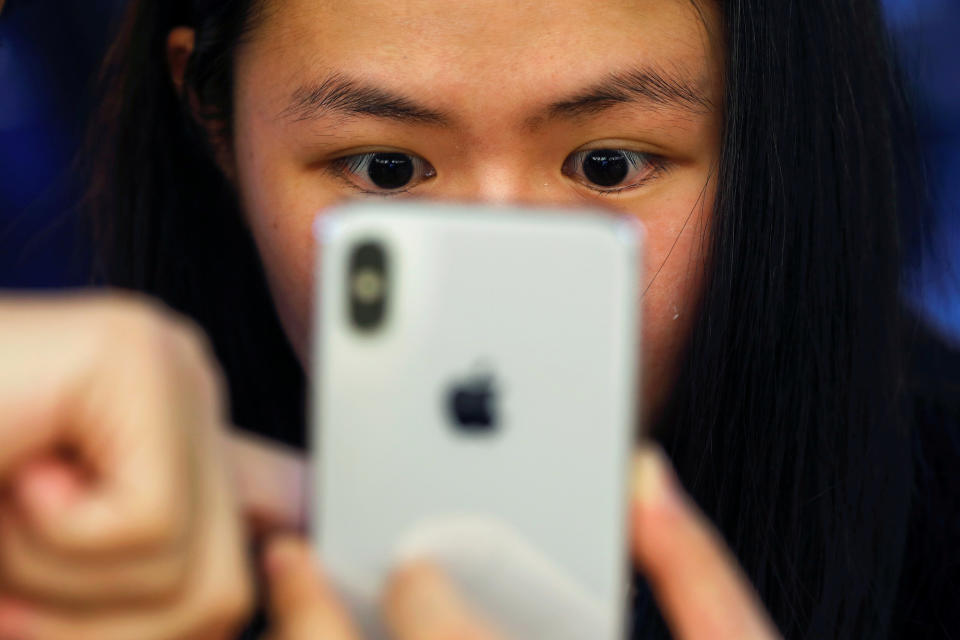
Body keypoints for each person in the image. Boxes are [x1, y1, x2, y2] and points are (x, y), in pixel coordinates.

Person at [0, 0, 957, 638]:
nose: (499, 301)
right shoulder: (56, 537)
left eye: (610, 166)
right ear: (215, 123)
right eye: (386, 171)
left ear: (772, 137)